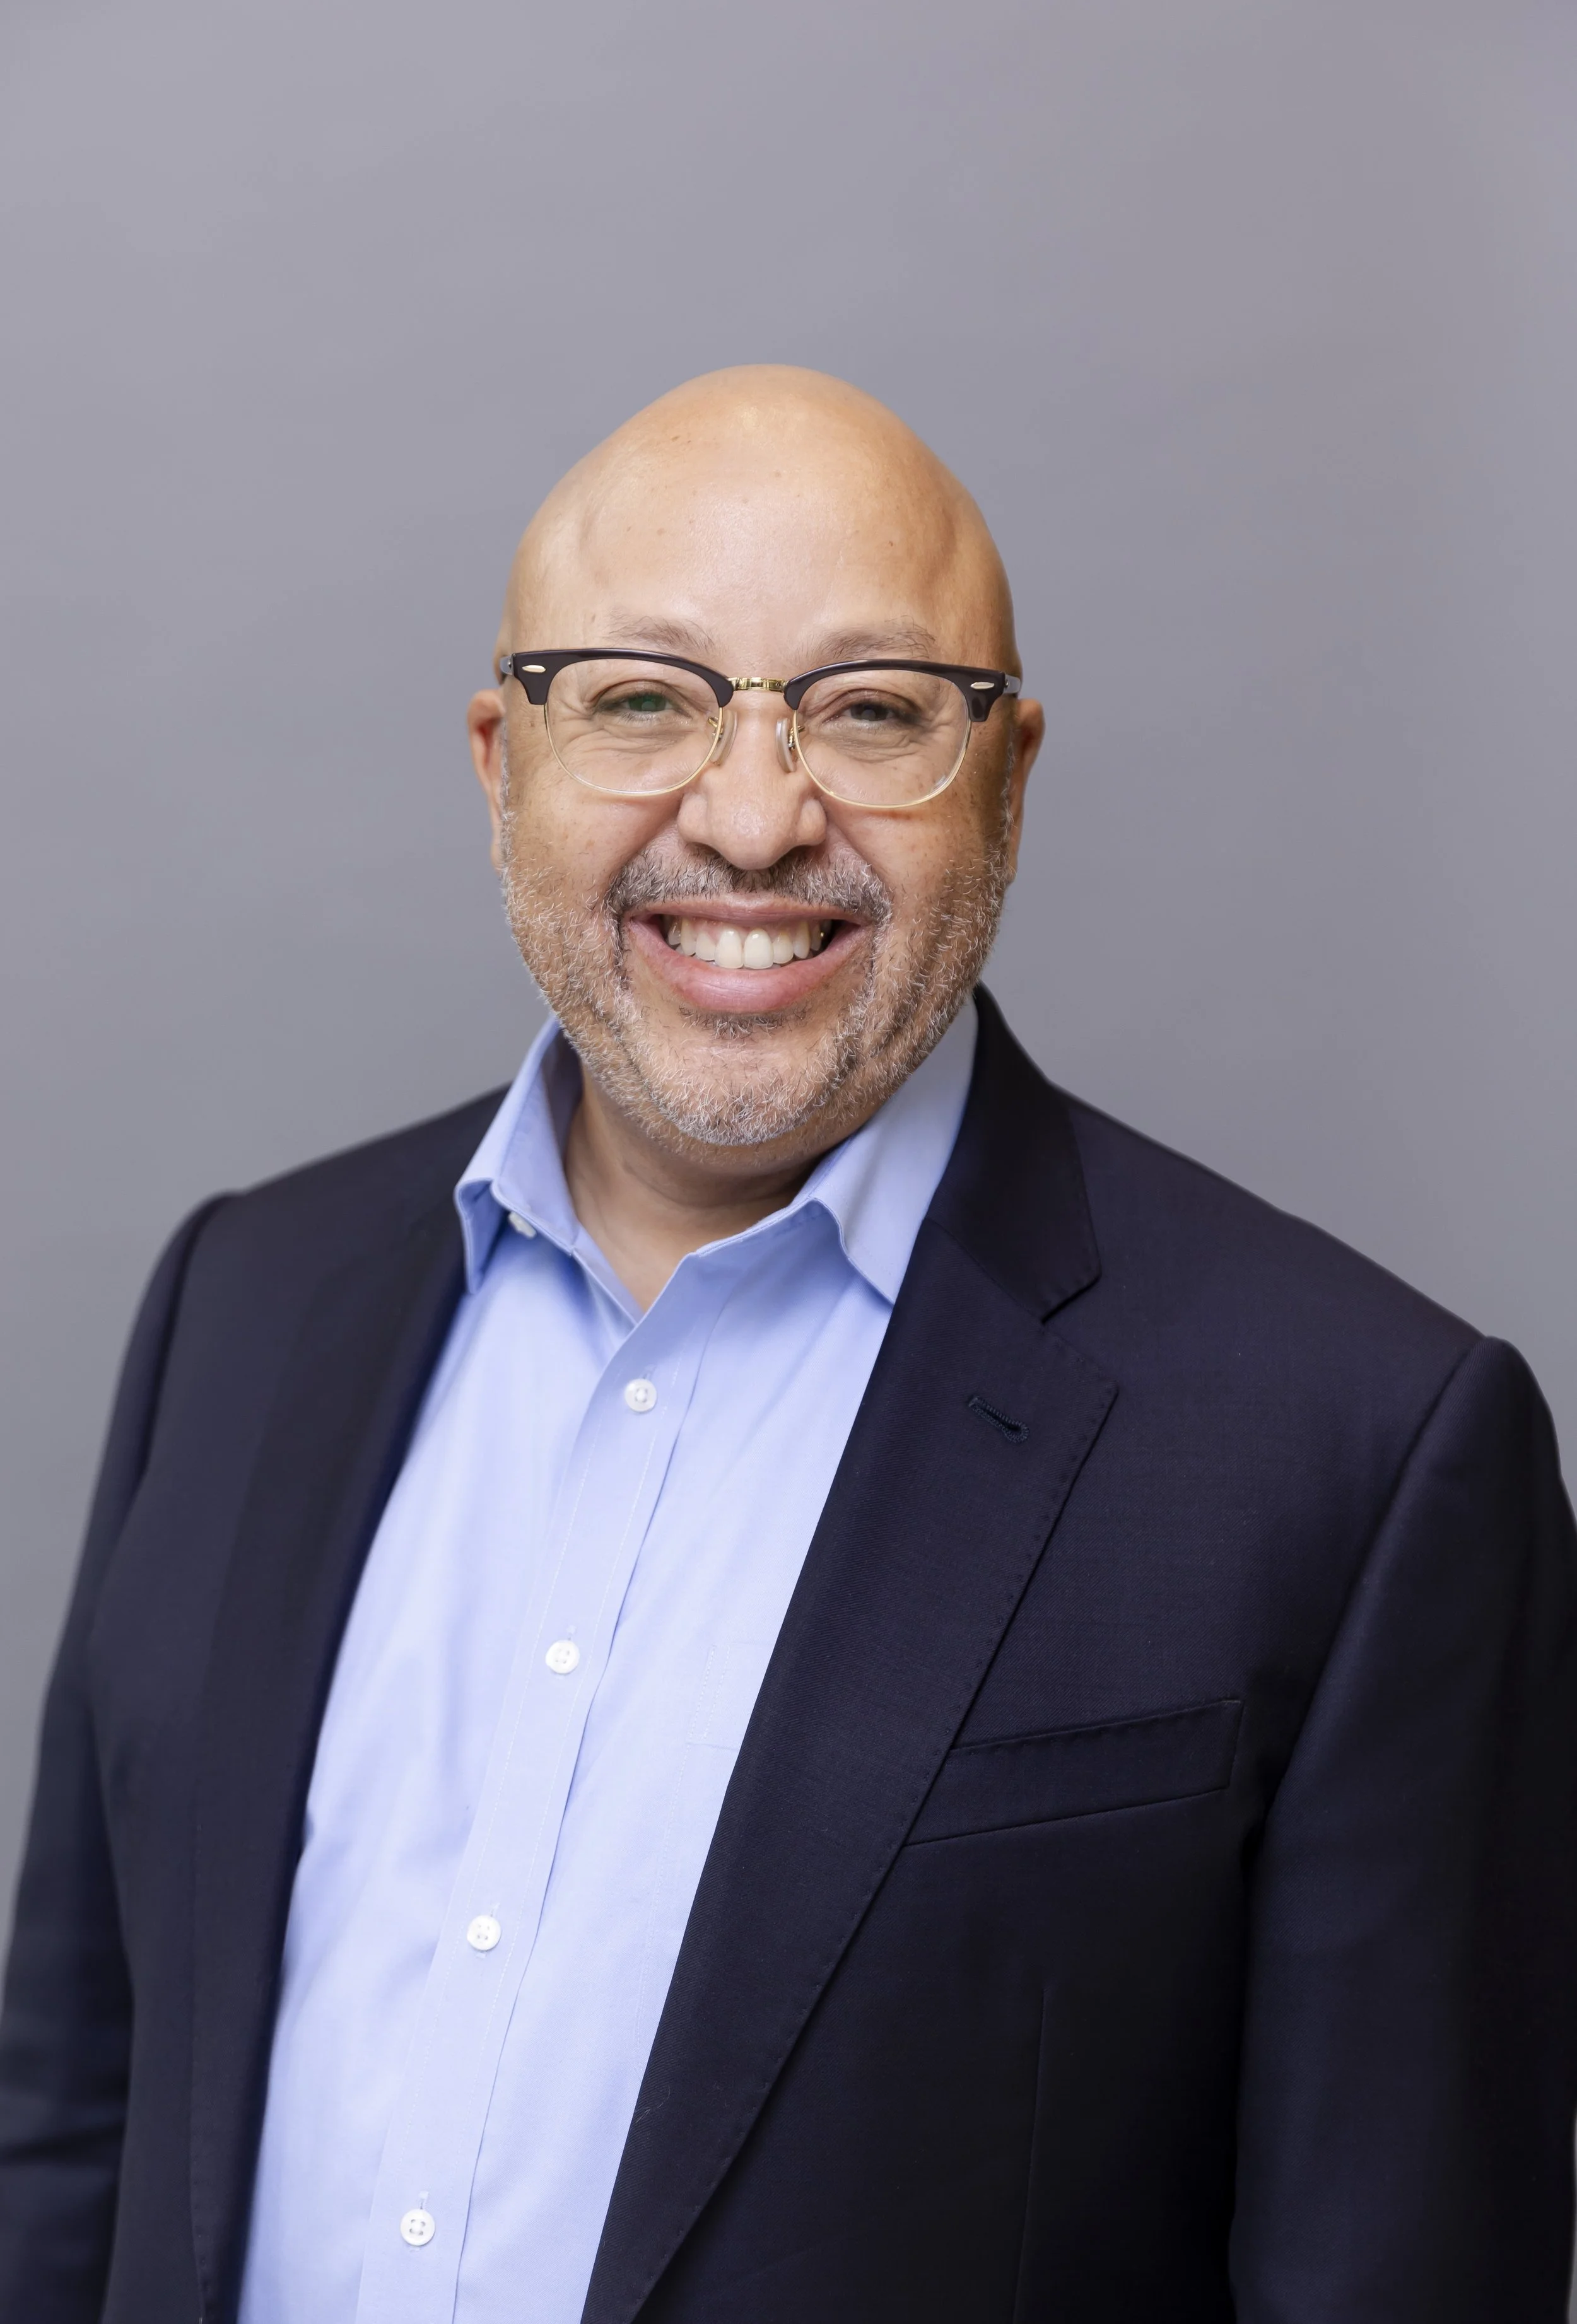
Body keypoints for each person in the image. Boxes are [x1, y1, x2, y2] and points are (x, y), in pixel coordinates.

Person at [0, 366, 1573, 2324]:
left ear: (1003, 781)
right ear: (501, 762)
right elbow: (76, 2131)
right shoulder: (239, 1306)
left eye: (874, 710)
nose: (750, 820)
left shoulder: (1357, 1452)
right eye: (642, 698)